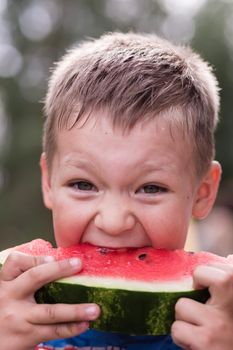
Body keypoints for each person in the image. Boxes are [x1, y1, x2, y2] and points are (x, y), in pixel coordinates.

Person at [0, 32, 232, 350]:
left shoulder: (223, 323)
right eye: (83, 185)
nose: (113, 221)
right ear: (48, 182)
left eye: (150, 188)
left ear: (203, 193)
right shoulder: (9, 315)